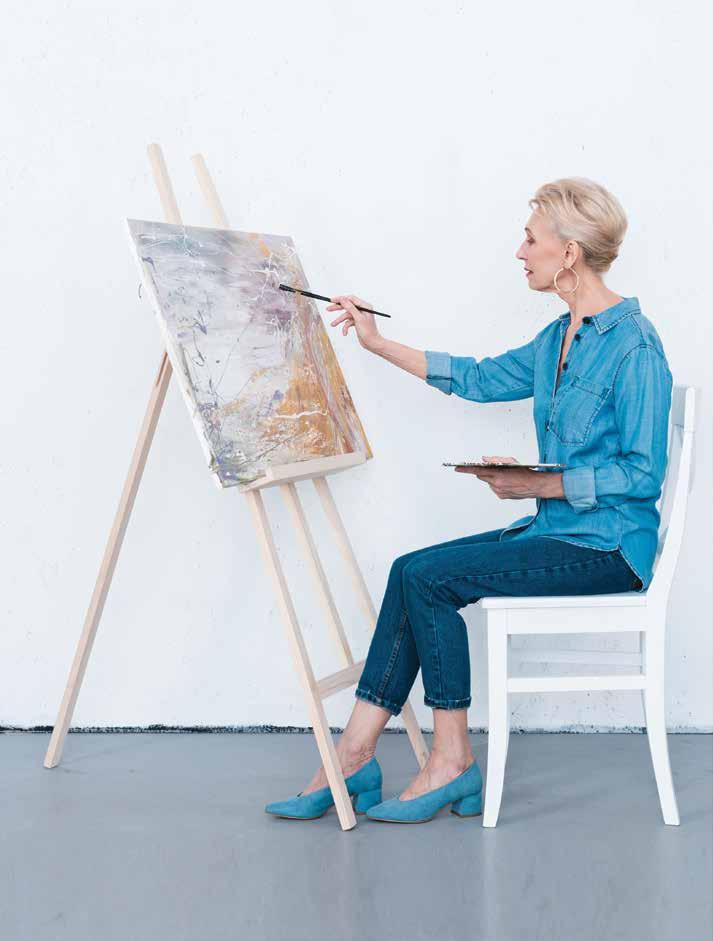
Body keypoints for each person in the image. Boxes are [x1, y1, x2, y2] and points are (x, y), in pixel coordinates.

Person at [265, 177, 673, 824]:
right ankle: (353, 754)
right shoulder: (558, 337)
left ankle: (451, 761)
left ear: (568, 253)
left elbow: (644, 474)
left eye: (531, 239)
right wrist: (375, 342)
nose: (519, 252)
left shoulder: (635, 347)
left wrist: (541, 483)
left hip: (610, 547)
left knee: (431, 579)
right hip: (559, 529)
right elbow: (478, 378)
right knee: (409, 568)